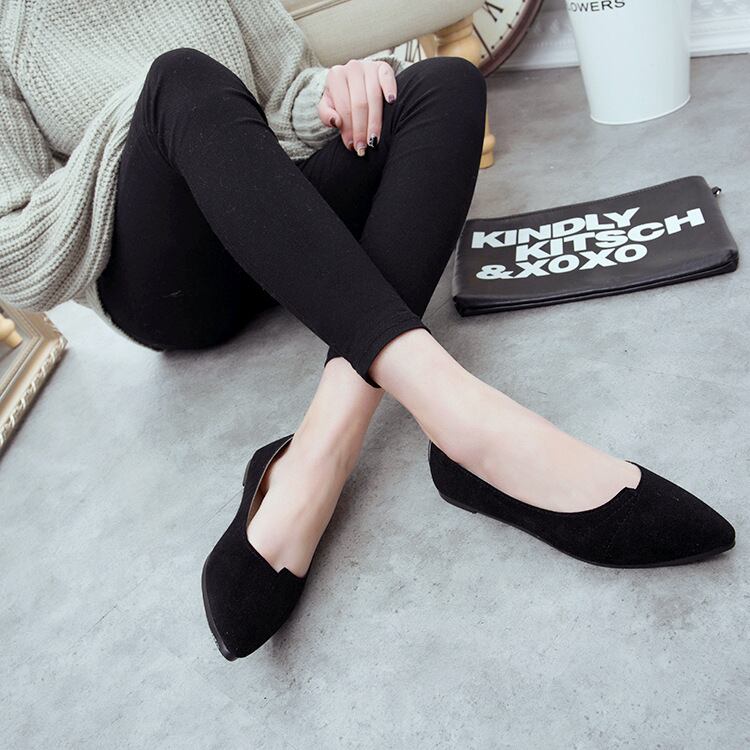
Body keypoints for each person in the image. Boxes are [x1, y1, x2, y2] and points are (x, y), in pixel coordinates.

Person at [1, 0, 735, 662]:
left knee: (442, 85)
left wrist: (340, 92)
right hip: (173, 286)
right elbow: (16, 254)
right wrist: (143, 120)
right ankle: (469, 420)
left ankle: (321, 448)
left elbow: (283, 94)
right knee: (179, 77)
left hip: (271, 221)